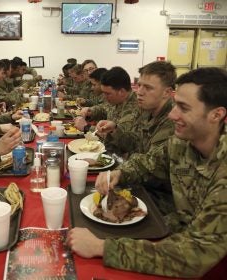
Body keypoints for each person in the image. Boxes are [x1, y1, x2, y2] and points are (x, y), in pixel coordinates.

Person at [67, 67, 227, 278]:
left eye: (183, 107)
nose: (172, 114)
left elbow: (194, 255)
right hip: (170, 229)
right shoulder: (181, 143)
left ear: (217, 115)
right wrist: (120, 173)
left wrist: (102, 248)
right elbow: (150, 161)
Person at [99, 61, 176, 157]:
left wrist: (118, 171)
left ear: (167, 92)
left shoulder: (173, 120)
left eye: (148, 87)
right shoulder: (145, 109)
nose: (139, 92)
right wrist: (114, 130)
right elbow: (133, 144)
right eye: (139, 85)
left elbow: (151, 163)